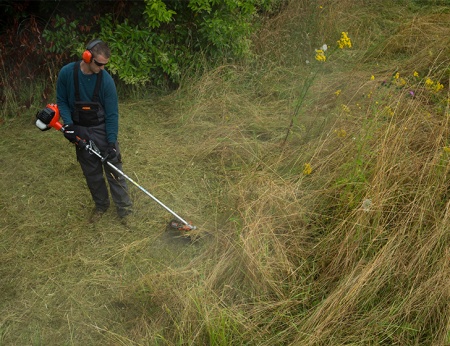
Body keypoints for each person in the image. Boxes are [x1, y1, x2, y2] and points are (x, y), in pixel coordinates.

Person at [56, 39, 132, 222]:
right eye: (99, 64)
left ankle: (125, 210)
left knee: (114, 169)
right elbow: (62, 101)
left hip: (101, 129)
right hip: (80, 129)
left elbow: (113, 114)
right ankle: (101, 205)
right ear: (87, 56)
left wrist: (112, 142)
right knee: (91, 173)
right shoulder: (67, 73)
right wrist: (69, 126)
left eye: (105, 64)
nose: (102, 68)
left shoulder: (106, 81)